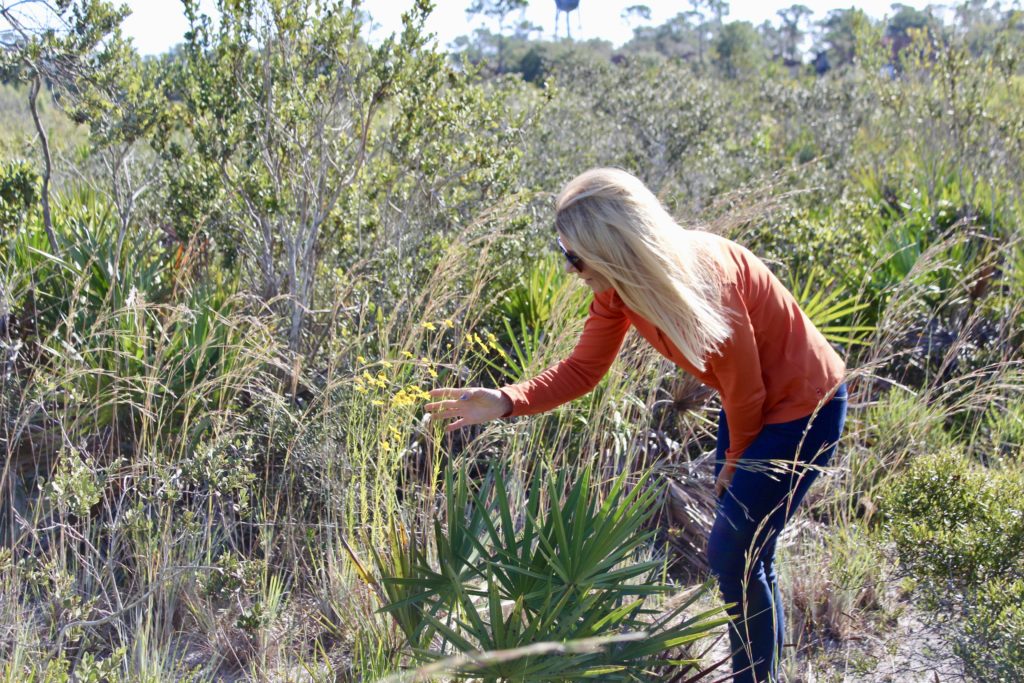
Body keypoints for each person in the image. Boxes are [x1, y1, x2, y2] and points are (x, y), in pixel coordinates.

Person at [424, 168, 848, 683]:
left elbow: (748, 390)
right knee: (747, 555)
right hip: (753, 411)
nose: (570, 270)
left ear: (612, 247)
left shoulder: (708, 275)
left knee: (731, 553)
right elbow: (583, 369)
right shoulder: (618, 290)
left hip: (806, 409)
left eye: (573, 257)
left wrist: (735, 461)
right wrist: (506, 401)